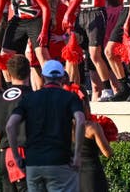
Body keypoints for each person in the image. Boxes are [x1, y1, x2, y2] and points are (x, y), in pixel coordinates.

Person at [6, 60, 84, 192]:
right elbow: (80, 121)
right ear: (63, 78)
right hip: (60, 161)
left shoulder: (29, 98)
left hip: (33, 162)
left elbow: (10, 125)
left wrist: (16, 156)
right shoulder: (70, 97)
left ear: (42, 77)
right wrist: (77, 155)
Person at [0, 55, 32, 192]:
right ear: (29, 72)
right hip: (25, 153)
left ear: (8, 73)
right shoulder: (33, 97)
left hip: (5, 154)